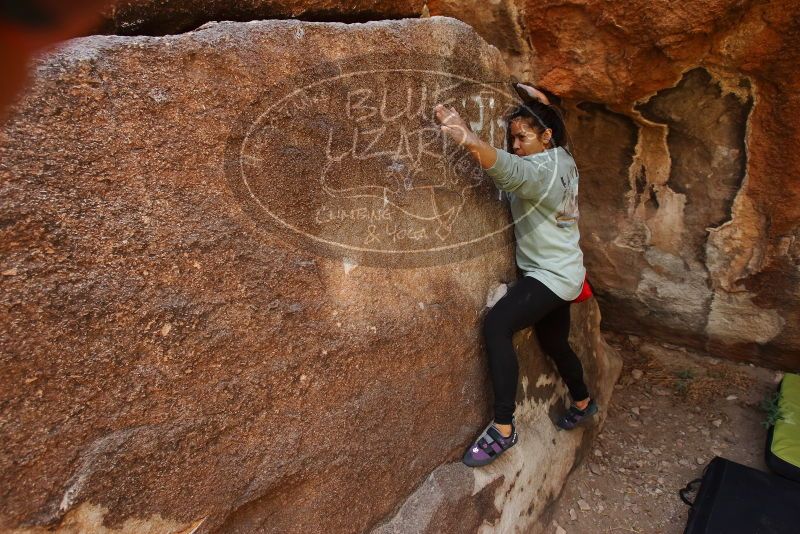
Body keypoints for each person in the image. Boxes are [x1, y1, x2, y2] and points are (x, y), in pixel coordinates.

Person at [434, 83, 596, 468]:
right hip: (568, 269)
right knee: (555, 342)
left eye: (522, 137)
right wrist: (542, 103)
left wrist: (465, 134)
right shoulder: (563, 158)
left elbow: (506, 168)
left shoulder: (538, 172)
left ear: (545, 135)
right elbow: (551, 136)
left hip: (550, 276)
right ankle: (584, 401)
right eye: (512, 138)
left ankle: (504, 429)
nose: (515, 145)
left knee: (497, 327)